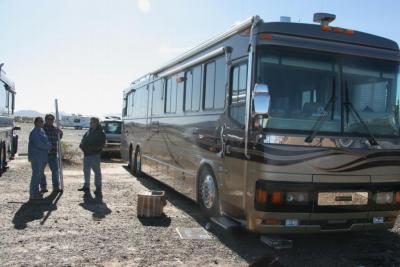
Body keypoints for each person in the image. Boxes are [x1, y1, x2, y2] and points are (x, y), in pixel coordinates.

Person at [78, 117, 106, 194]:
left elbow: (101, 144)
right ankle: (86, 186)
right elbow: (83, 140)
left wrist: (90, 149)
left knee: (97, 172)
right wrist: (82, 146)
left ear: (96, 123)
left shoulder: (101, 132)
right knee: (86, 171)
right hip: (87, 155)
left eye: (92, 122)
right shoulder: (88, 131)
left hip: (95, 155)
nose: (90, 124)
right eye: (90, 122)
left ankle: (98, 188)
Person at [28, 117, 51, 201]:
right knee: (36, 176)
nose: (42, 122)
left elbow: (46, 141)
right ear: (36, 123)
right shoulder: (34, 132)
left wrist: (48, 144)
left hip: (42, 157)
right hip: (36, 157)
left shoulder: (41, 131)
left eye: (42, 121)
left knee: (39, 176)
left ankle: (36, 193)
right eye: (41, 121)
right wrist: (49, 146)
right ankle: (33, 194)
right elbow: (39, 144)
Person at [40, 114, 63, 193]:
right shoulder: (41, 129)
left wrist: (60, 132)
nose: (50, 121)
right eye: (49, 119)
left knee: (55, 171)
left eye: (52, 119)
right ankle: (43, 187)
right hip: (43, 154)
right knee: (41, 171)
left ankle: (56, 187)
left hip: (53, 154)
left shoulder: (56, 129)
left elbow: (60, 136)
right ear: (46, 120)